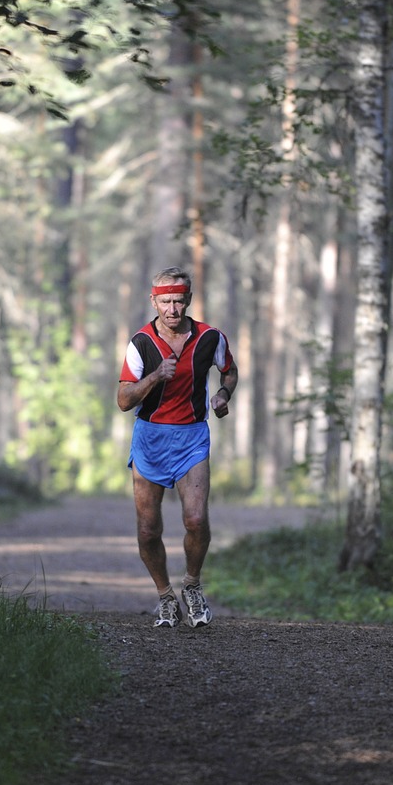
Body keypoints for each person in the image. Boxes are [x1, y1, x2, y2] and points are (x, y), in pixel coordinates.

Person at [117, 267, 238, 628]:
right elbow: (123, 400)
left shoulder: (209, 337)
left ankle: (192, 585)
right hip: (151, 438)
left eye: (179, 301)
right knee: (148, 530)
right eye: (165, 301)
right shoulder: (140, 343)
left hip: (191, 437)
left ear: (188, 301)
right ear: (153, 301)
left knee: (196, 520)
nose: (172, 309)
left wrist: (222, 393)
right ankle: (165, 596)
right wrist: (155, 377)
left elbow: (229, 371)